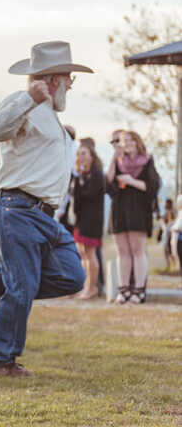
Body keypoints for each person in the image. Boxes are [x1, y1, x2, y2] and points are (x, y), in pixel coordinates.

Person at [0, 41, 91, 376]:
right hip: (16, 209)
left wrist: (67, 136)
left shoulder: (52, 117)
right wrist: (30, 98)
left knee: (72, 275)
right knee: (23, 286)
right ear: (53, 79)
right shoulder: (21, 101)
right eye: (69, 77)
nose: (71, 83)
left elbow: (40, 155)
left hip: (42, 216)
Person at [106, 129, 160, 304]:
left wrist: (131, 181)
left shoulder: (147, 160)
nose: (127, 143)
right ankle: (123, 290)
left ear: (137, 142)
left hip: (138, 209)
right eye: (123, 141)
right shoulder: (118, 161)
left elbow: (152, 187)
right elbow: (108, 184)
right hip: (119, 210)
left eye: (130, 140)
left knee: (137, 251)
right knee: (123, 252)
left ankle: (139, 290)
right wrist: (114, 159)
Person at [71, 139, 105, 299]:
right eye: (78, 154)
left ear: (92, 155)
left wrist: (77, 187)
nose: (81, 157)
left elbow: (89, 195)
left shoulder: (97, 174)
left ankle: (92, 288)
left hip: (92, 220)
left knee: (90, 253)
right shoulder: (82, 174)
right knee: (82, 253)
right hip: (81, 218)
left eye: (83, 153)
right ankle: (86, 286)